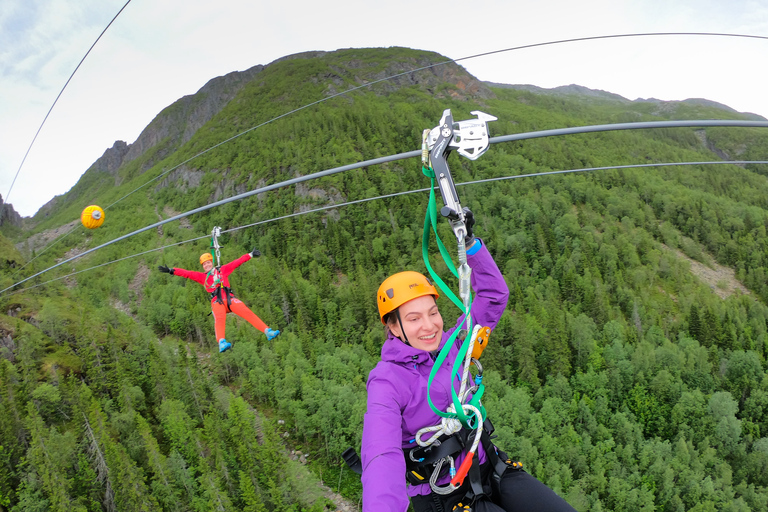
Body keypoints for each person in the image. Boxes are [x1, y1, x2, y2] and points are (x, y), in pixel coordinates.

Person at [361, 216, 576, 512]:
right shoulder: (387, 381)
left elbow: (493, 295)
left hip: (490, 465)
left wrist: (470, 244)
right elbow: (381, 454)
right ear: (394, 327)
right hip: (444, 494)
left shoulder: (455, 345)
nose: (429, 326)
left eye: (433, 312)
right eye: (413, 318)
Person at [158, 248, 280, 352]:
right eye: (204, 264)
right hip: (218, 302)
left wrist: (250, 255)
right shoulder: (202, 277)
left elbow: (236, 263)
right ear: (203, 266)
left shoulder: (222, 270)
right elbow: (187, 273)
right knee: (220, 318)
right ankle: (221, 341)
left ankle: (267, 331)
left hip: (229, 299)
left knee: (246, 311)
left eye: (208, 263)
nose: (207, 265)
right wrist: (172, 271)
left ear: (212, 262)